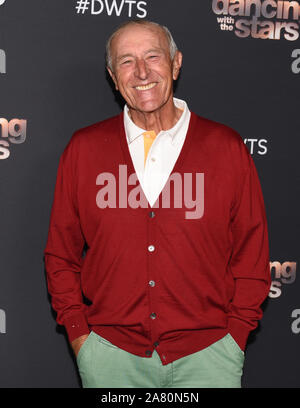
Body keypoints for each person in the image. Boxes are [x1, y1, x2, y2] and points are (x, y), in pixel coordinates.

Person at [44, 20, 271, 388]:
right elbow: (60, 255)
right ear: (113, 76)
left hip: (209, 357)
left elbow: (252, 252)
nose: (142, 72)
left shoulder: (225, 147)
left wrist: (235, 337)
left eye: (153, 56)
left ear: (176, 63)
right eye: (127, 61)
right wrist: (81, 339)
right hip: (110, 359)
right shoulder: (84, 150)